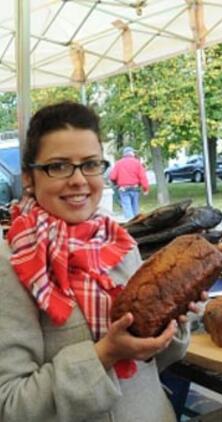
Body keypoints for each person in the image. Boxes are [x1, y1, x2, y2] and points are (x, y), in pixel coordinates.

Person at [0, 101, 203, 422]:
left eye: (90, 164)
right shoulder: (11, 265)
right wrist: (106, 353)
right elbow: (10, 405)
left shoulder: (118, 243)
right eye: (58, 166)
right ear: (29, 177)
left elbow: (147, 368)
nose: (79, 179)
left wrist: (173, 320)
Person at [109, 146, 149, 220]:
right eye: (133, 152)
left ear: (124, 154)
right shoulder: (137, 163)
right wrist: (145, 189)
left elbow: (112, 177)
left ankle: (130, 224)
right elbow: (143, 177)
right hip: (135, 188)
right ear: (131, 153)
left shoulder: (118, 163)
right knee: (135, 207)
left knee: (127, 208)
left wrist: (116, 183)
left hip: (123, 189)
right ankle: (137, 223)